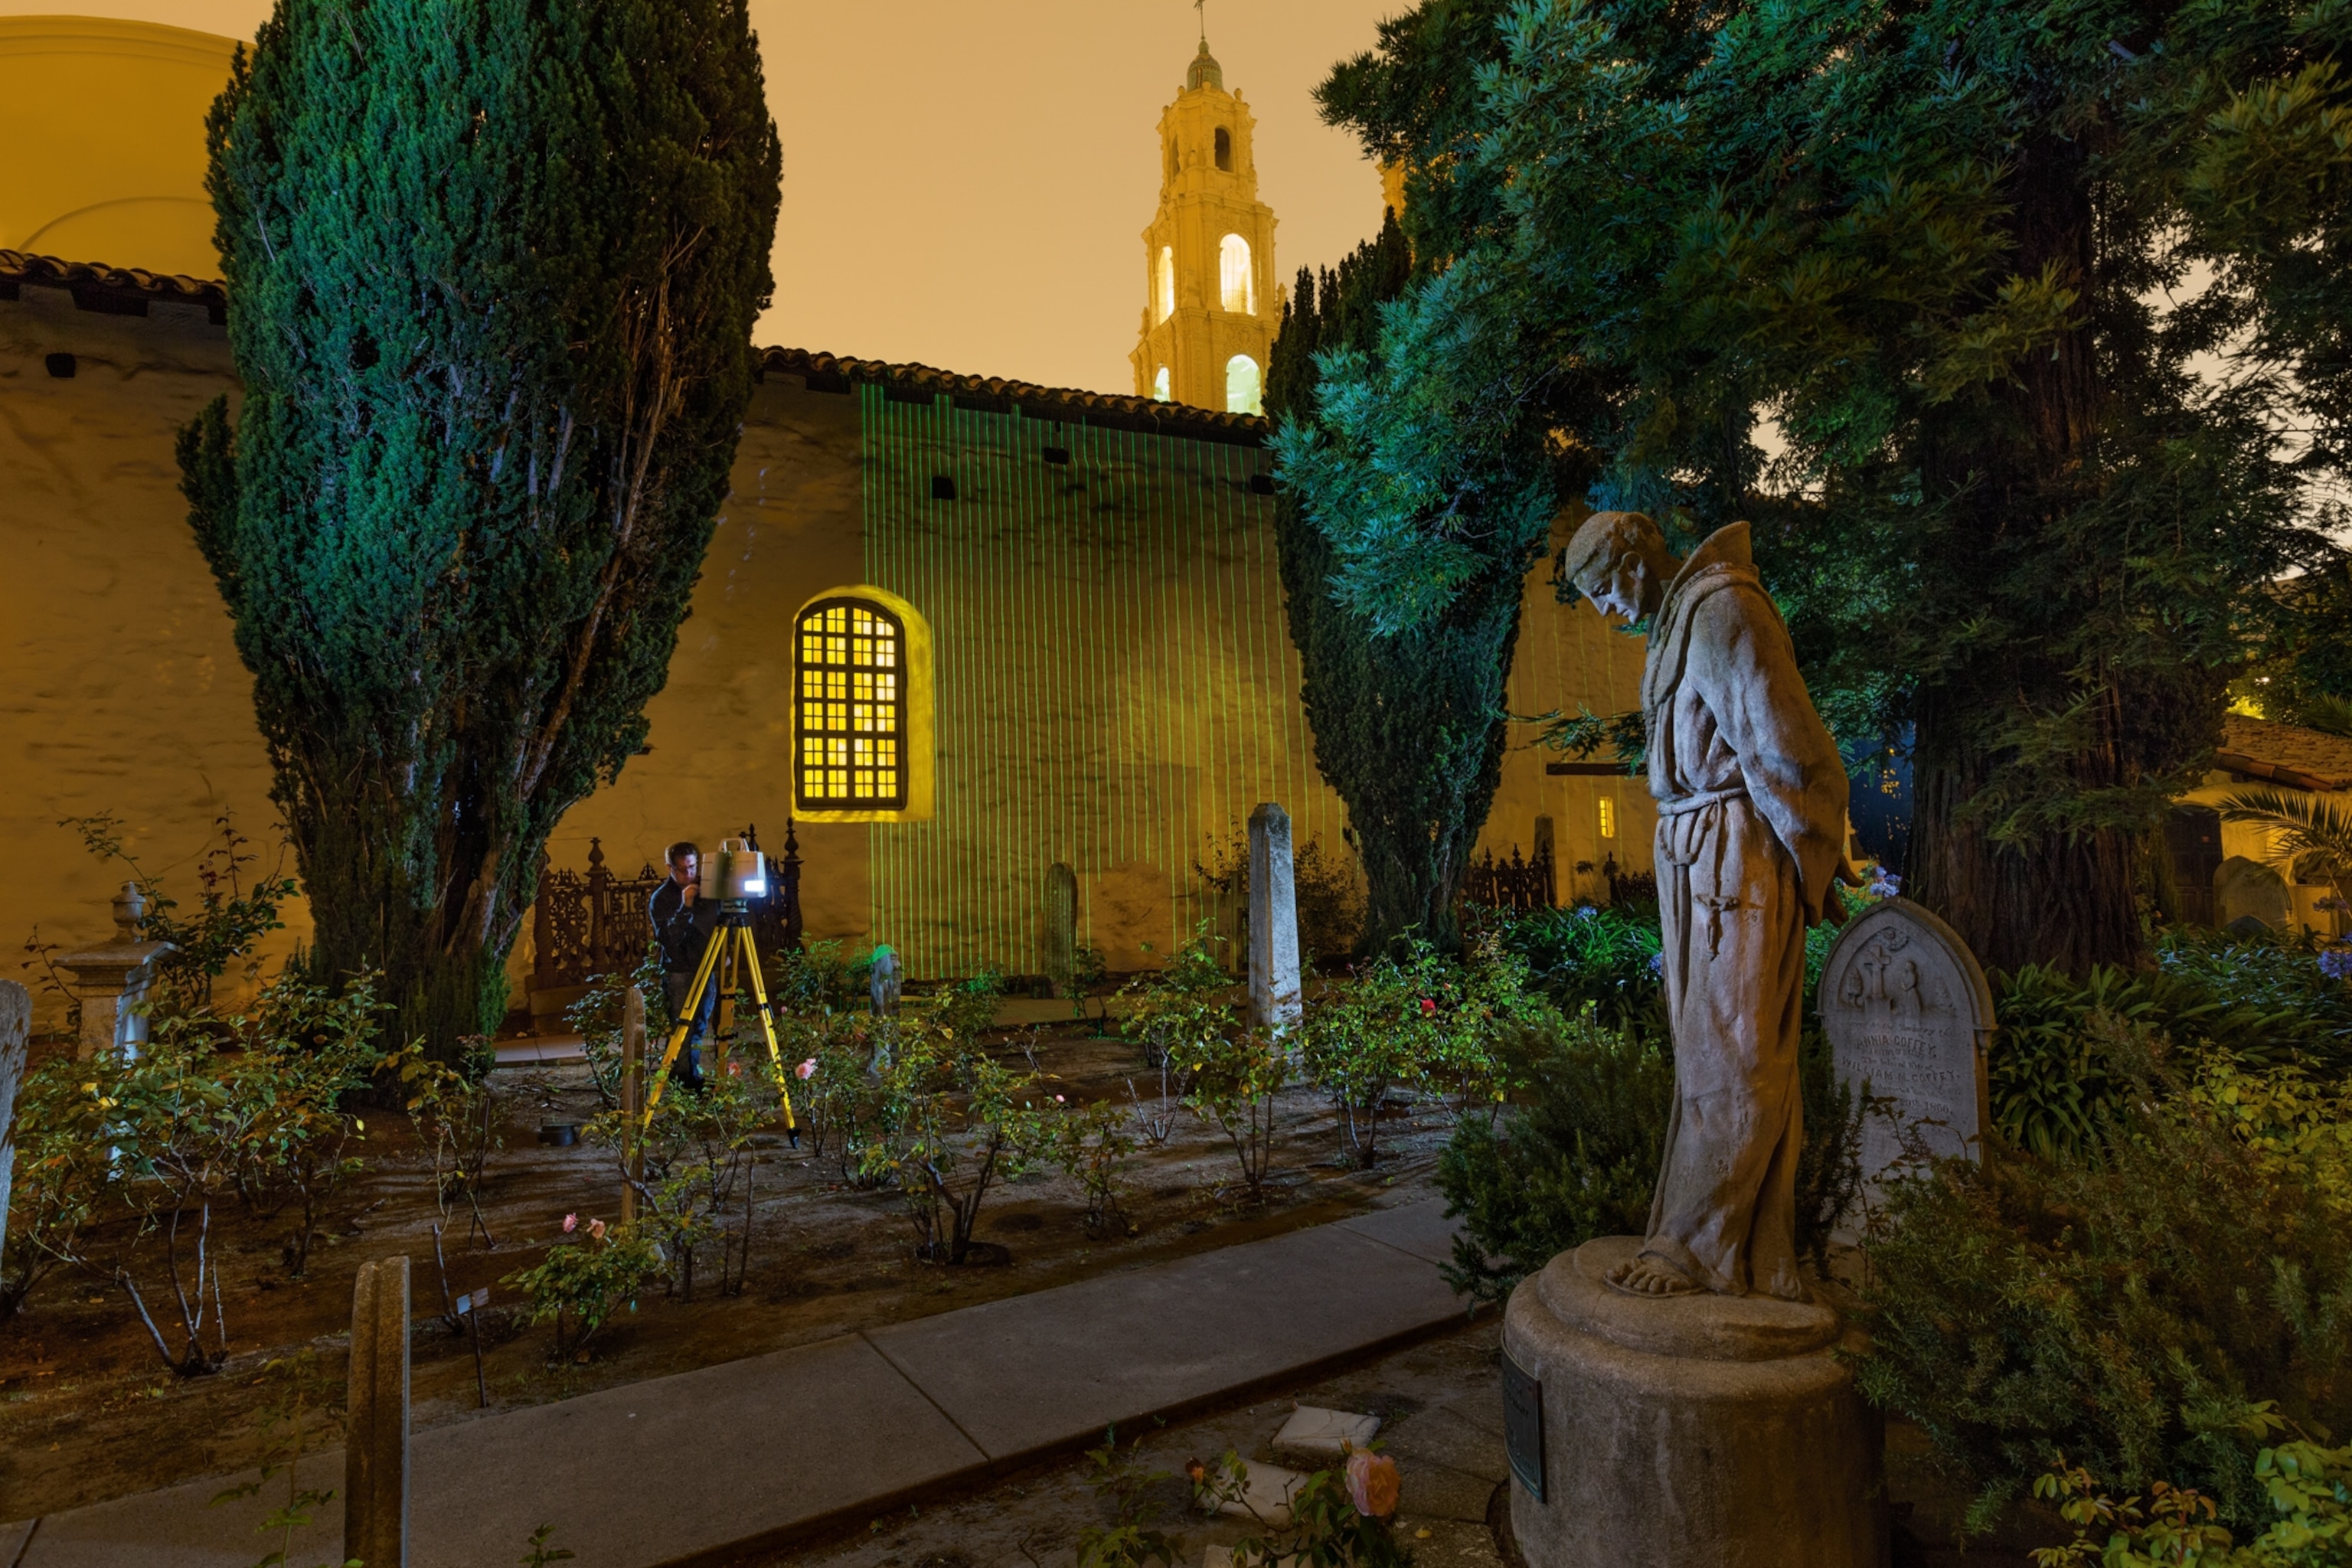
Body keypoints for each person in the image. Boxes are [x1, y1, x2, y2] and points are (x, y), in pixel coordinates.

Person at [1563, 511, 1852, 1302]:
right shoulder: (1680, 619)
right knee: (1707, 1047)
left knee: (1737, 1044)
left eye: (1603, 591)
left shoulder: (1725, 606)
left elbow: (1784, 740)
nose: (1607, 612)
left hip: (1736, 849)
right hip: (1697, 849)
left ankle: (1700, 1248)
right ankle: (1715, 1239)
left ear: (1634, 558)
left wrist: (1816, 848)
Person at [648, 840, 717, 1092]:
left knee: (699, 1027)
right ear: (670, 868)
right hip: (679, 971)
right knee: (681, 1030)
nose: (690, 874)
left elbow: (716, 922)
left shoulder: (706, 891)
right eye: (683, 869)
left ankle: (692, 1078)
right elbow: (668, 938)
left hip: (705, 967)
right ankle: (682, 1082)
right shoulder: (661, 898)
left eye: (693, 867)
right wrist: (685, 906)